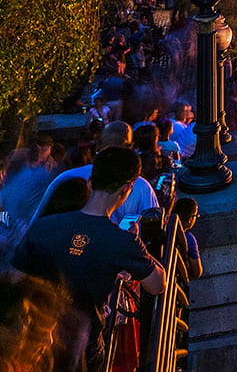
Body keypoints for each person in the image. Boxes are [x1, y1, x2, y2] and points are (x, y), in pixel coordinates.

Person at [13, 147, 165, 365]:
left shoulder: (44, 225)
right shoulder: (121, 241)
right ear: (127, 189)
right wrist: (137, 245)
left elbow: (17, 277)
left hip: (35, 341)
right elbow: (157, 284)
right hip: (83, 348)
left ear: (91, 182)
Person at [29, 122, 159, 225]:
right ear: (130, 147)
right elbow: (152, 233)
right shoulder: (141, 187)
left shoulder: (66, 178)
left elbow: (36, 223)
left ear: (98, 145)